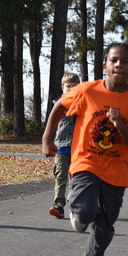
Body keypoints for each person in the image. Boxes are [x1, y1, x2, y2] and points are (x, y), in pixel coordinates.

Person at [42, 43, 128, 256]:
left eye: (125, 61)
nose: (119, 64)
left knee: (105, 227)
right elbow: (60, 106)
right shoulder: (88, 91)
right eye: (113, 60)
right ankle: (79, 211)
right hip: (86, 163)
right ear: (104, 65)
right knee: (85, 215)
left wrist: (119, 123)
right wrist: (48, 138)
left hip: (116, 171)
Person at [48, 72, 81, 219]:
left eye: (75, 86)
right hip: (61, 146)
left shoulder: (84, 104)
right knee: (60, 176)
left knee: (76, 177)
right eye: (68, 86)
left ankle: (75, 204)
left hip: (78, 148)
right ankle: (59, 205)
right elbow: (52, 124)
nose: (72, 89)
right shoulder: (58, 103)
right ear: (63, 88)